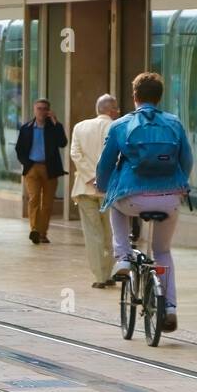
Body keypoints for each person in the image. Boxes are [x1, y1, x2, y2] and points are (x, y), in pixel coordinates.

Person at [96, 72, 192, 333]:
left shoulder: (120, 126)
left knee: (114, 205)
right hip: (169, 199)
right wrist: (180, 186)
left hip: (131, 197)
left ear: (134, 96)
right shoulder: (174, 123)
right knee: (162, 252)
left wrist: (103, 188)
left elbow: (105, 165)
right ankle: (170, 308)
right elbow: (187, 160)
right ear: (159, 96)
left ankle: (124, 258)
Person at [70, 94, 119, 288]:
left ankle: (100, 276)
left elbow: (75, 153)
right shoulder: (117, 127)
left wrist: (91, 175)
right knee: (111, 233)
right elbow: (120, 156)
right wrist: (102, 177)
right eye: (117, 110)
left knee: (93, 234)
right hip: (110, 189)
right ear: (111, 110)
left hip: (85, 187)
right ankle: (109, 273)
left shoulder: (80, 127)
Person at [15, 98, 67, 243]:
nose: (42, 112)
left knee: (48, 203)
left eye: (45, 109)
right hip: (32, 168)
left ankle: (43, 232)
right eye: (39, 108)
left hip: (49, 168)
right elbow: (19, 149)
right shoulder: (26, 128)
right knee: (34, 199)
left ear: (49, 111)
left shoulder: (54, 127)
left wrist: (56, 123)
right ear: (34, 110)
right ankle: (34, 230)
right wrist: (26, 163)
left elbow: (63, 143)